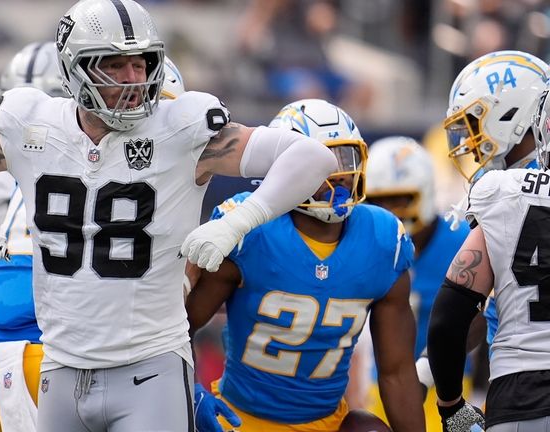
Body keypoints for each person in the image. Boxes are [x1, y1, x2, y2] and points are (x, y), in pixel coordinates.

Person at [0, 0, 337, 430]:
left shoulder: (182, 129)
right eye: (114, 65)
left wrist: (239, 220)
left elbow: (313, 157)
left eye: (143, 63)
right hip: (59, 368)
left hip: (149, 368)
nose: (135, 79)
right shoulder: (31, 125)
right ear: (74, 69)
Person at [186, 99, 425, 432]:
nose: (339, 175)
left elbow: (396, 370)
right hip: (241, 421)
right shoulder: (251, 233)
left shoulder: (382, 240)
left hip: (327, 422)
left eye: (346, 158)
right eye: (323, 161)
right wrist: (190, 393)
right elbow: (179, 328)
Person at [427, 50, 550, 432]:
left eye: (475, 125)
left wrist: (451, 407)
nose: (471, 144)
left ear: (511, 116)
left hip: (525, 396)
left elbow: (451, 318)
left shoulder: (501, 193)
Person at [362, 136, 472, 430]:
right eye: (378, 201)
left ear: (423, 193)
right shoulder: (365, 243)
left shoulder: (462, 240)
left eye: (399, 199)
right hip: (383, 382)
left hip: (451, 384)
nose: (390, 211)